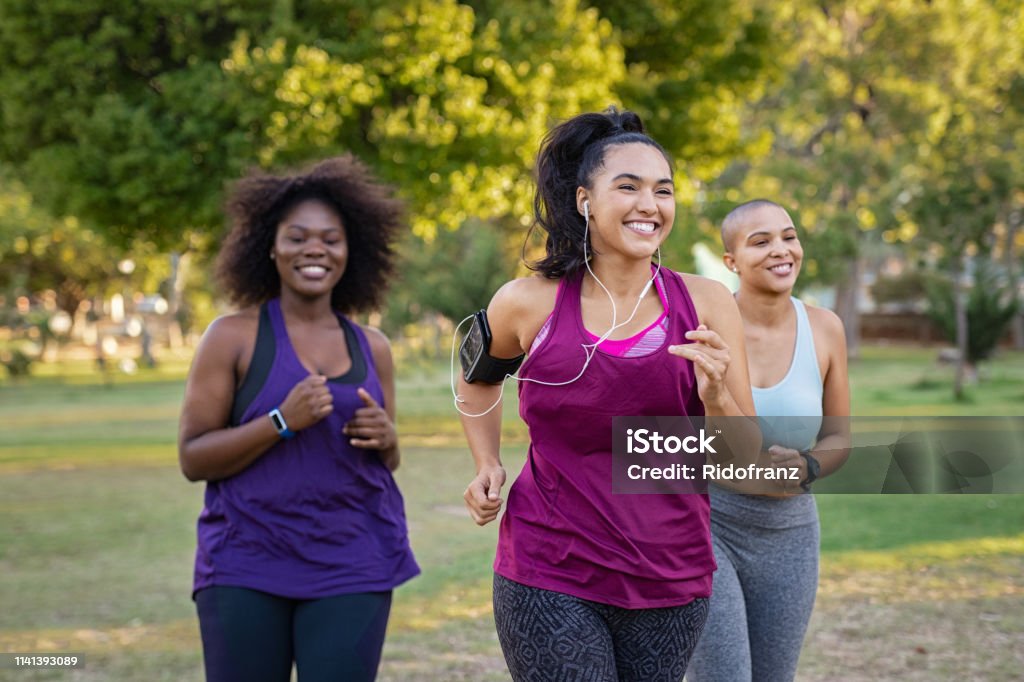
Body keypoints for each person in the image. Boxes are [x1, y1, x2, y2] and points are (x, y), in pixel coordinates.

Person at [456, 108, 758, 681]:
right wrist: (486, 463)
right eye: (628, 186)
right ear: (583, 201)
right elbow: (477, 378)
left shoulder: (709, 306)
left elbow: (744, 458)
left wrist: (716, 395)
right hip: (548, 568)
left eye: (663, 190)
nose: (650, 204)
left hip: (670, 574)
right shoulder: (527, 303)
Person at [178, 156, 419, 682]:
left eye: (331, 239)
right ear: (270, 246)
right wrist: (281, 421)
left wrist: (389, 438)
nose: (315, 249)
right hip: (246, 561)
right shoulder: (232, 337)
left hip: (354, 560)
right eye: (298, 237)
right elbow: (193, 458)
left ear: (350, 251)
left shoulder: (372, 347)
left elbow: (388, 460)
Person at [685, 199, 851, 682]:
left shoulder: (825, 328)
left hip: (792, 533)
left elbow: (839, 436)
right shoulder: (702, 330)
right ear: (731, 262)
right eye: (760, 242)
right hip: (709, 527)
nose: (781, 250)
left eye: (788, 236)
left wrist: (809, 466)